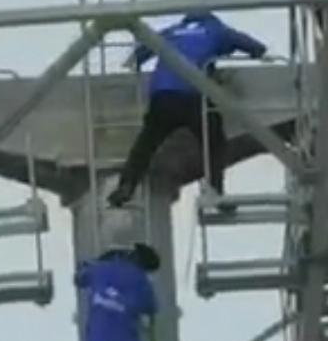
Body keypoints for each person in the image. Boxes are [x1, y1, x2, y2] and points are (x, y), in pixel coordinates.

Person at [107, 13, 268, 209]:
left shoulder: (171, 32)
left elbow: (138, 56)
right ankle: (215, 190)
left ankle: (126, 186)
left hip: (162, 95)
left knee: (146, 143)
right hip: (194, 96)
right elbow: (250, 45)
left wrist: (135, 62)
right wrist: (258, 53)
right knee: (214, 141)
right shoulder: (215, 30)